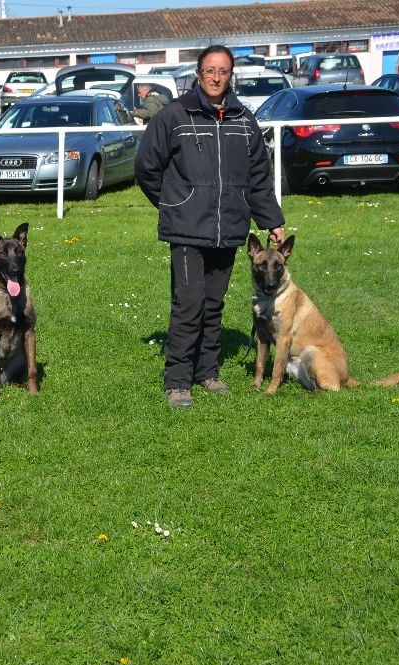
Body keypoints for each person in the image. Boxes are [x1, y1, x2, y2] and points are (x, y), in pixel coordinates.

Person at [135, 45, 285, 408]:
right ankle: (177, 380)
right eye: (210, 70)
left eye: (223, 71)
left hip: (229, 229)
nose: (217, 77)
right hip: (187, 229)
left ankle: (208, 372)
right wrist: (174, 203)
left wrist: (272, 221)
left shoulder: (243, 121)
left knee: (213, 305)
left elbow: (258, 178)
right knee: (188, 303)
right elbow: (146, 168)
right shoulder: (174, 115)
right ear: (198, 74)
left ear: (230, 76)